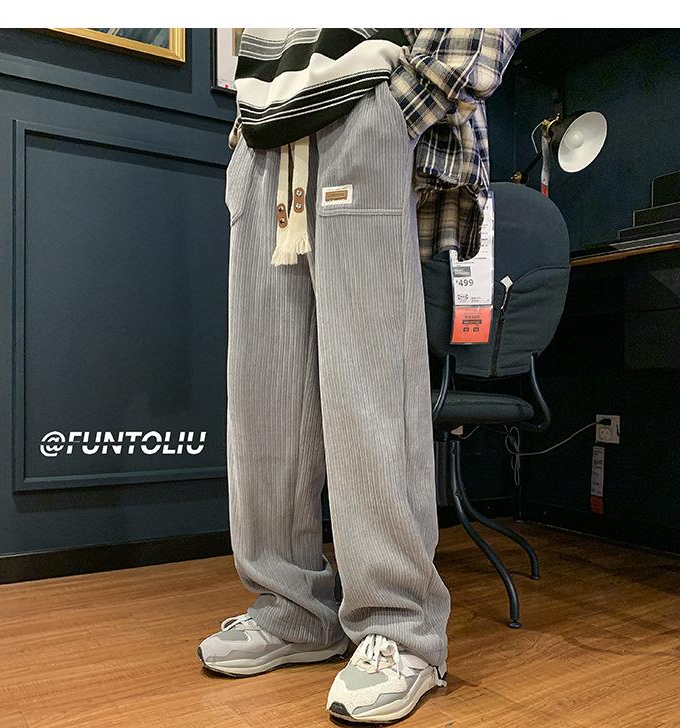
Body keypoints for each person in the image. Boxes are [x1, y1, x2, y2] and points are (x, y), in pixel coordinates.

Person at [198, 27, 520, 723]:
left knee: (370, 387)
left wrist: (393, 111)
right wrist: (247, 130)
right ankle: (293, 608)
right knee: (264, 399)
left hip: (361, 107)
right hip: (263, 134)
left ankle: (400, 628)